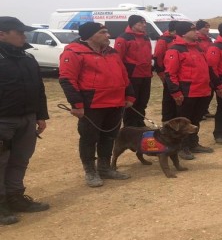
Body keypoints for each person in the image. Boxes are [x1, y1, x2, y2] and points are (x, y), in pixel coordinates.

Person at [59, 22, 134, 187]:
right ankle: (90, 171)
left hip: (115, 103)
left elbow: (123, 75)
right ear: (91, 35)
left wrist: (129, 95)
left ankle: (105, 168)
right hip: (92, 104)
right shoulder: (74, 52)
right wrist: (77, 104)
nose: (108, 35)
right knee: (89, 138)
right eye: (103, 32)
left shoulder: (112, 53)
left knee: (109, 137)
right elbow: (67, 79)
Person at [0, 17, 50, 225]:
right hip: (3, 120)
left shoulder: (27, 57)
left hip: (27, 119)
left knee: (20, 159)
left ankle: (15, 197)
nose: (23, 35)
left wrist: (40, 115)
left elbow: (39, 88)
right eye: (18, 32)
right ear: (2, 34)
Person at [164, 21, 215, 158]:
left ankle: (193, 144)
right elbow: (170, 74)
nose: (196, 32)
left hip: (202, 90)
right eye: (193, 30)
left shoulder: (197, 48)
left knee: (195, 120)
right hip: (188, 92)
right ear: (184, 33)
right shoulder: (175, 49)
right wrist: (176, 92)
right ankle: (181, 147)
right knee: (184, 122)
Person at [114, 15, 153, 127]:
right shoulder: (124, 38)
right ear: (133, 24)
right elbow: (118, 58)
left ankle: (139, 123)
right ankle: (130, 126)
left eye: (144, 23)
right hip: (132, 75)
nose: (144, 25)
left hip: (146, 74)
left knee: (142, 102)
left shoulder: (146, 37)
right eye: (141, 23)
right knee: (131, 103)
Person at [153, 20, 178, 123]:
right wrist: (161, 73)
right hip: (167, 73)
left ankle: (176, 118)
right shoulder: (164, 40)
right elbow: (158, 57)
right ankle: (167, 120)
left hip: (177, 73)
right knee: (168, 96)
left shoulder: (176, 39)